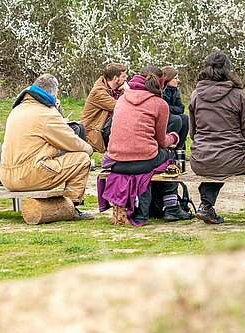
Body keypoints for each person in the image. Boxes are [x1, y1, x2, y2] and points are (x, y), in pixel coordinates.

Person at [102, 67, 192, 223]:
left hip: (116, 162)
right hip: (142, 162)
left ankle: (156, 206)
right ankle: (171, 206)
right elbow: (162, 142)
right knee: (170, 157)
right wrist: (174, 137)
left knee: (160, 155)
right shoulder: (159, 103)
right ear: (160, 83)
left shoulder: (122, 99)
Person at [0, 74, 94, 219]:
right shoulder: (46, 114)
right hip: (29, 175)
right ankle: (71, 207)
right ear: (54, 92)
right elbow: (71, 141)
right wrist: (89, 149)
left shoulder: (16, 110)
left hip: (7, 176)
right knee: (82, 159)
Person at [189, 51, 245, 225]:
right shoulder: (238, 95)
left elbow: (193, 133)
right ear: (228, 69)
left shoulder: (195, 95)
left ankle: (206, 206)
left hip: (201, 158)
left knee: (216, 164)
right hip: (232, 156)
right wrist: (240, 147)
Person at [81, 63, 127, 153]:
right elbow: (121, 107)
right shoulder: (98, 92)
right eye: (123, 76)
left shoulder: (114, 90)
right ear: (115, 78)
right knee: (122, 116)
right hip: (93, 132)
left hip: (103, 126)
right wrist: (128, 91)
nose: (126, 79)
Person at [161, 66, 189, 152]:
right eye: (175, 78)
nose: (178, 80)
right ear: (168, 79)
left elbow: (181, 108)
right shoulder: (161, 91)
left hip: (171, 115)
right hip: (162, 117)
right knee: (177, 119)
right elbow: (163, 108)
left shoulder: (175, 90)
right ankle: (168, 146)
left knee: (184, 118)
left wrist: (171, 108)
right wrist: (172, 109)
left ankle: (179, 148)